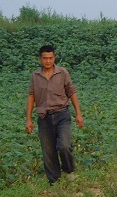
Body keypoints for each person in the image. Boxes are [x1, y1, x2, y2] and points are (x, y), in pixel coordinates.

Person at [26, 45, 83, 184]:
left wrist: (78, 114)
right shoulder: (35, 76)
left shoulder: (62, 73)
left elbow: (71, 92)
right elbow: (31, 96)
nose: (48, 61)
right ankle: (54, 181)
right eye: (45, 58)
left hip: (62, 114)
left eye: (50, 58)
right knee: (48, 151)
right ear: (40, 59)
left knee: (64, 145)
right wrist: (28, 119)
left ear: (54, 58)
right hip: (44, 117)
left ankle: (69, 171)